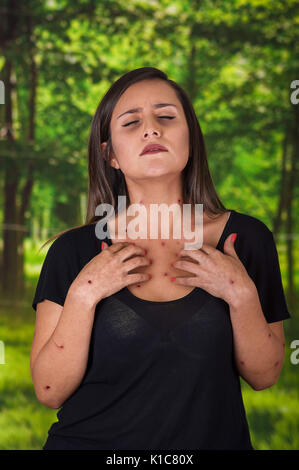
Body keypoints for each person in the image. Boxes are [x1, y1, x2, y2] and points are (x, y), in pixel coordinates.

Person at [30, 67, 291, 450]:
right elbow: (49, 389)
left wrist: (240, 294)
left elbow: (265, 374)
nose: (152, 129)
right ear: (110, 155)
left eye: (166, 117)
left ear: (190, 138)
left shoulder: (245, 239)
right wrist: (85, 294)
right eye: (131, 123)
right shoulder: (73, 251)